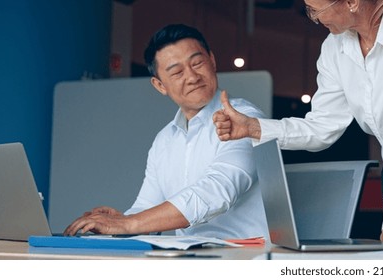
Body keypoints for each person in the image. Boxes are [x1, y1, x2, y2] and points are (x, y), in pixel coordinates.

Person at [214, 0, 383, 245]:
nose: (314, 18)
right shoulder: (335, 47)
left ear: (352, 2)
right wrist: (254, 128)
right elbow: (322, 127)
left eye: (314, 9)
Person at [63, 24, 268, 239]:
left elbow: (217, 192)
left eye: (197, 63)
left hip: (245, 259)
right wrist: (120, 220)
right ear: (160, 85)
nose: (192, 76)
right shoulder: (164, 140)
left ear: (212, 61)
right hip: (191, 259)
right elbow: (146, 206)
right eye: (177, 72)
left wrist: (129, 223)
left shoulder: (244, 119)